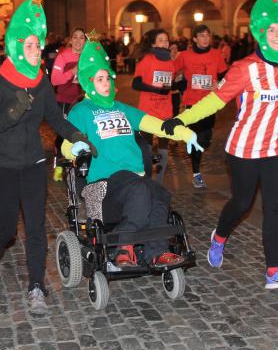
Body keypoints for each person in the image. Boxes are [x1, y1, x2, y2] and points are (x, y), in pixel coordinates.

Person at [162, 0, 278, 289]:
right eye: (271, 30)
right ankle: (220, 236)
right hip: (245, 148)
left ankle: (274, 271)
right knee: (242, 203)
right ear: (260, 33)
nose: (277, 35)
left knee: (274, 208)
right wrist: (181, 118)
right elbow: (215, 100)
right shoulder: (244, 69)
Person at [0, 0, 93, 315]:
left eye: (38, 46)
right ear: (15, 47)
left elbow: (55, 118)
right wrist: (12, 114)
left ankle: (37, 287)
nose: (35, 51)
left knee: (36, 226)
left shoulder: (41, 83)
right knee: (6, 227)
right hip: (0, 164)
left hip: (32, 162)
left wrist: (77, 136)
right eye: (29, 46)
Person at [62, 34, 202, 267]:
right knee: (141, 188)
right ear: (88, 82)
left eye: (107, 78)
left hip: (133, 180)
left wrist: (184, 133)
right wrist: (73, 148)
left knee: (160, 194)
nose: (106, 83)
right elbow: (67, 141)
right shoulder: (81, 111)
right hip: (105, 183)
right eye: (99, 79)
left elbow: (157, 124)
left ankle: (156, 252)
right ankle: (124, 247)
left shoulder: (123, 109)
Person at [174, 25, 227, 188]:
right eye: (202, 36)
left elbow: (225, 76)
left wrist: (219, 85)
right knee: (197, 137)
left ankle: (193, 147)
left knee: (206, 139)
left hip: (210, 102)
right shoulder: (184, 56)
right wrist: (180, 84)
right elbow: (172, 71)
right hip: (192, 102)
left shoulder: (216, 54)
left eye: (207, 35)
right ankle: (196, 173)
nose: (205, 38)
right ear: (195, 39)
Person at [132, 29, 182, 184]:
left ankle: (159, 183)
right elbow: (136, 84)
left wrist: (179, 83)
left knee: (163, 148)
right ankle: (146, 180)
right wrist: (157, 90)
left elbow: (168, 86)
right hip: (148, 110)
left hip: (165, 110)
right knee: (146, 148)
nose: (165, 43)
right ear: (153, 44)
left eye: (166, 40)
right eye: (161, 40)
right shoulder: (147, 60)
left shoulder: (170, 62)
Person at [50, 28, 86, 181]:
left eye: (81, 37)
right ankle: (59, 165)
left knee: (83, 132)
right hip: (65, 100)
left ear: (85, 41)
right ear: (71, 40)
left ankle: (81, 163)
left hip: (84, 102)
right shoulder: (63, 56)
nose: (78, 40)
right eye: (75, 37)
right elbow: (54, 80)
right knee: (63, 133)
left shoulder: (89, 56)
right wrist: (73, 71)